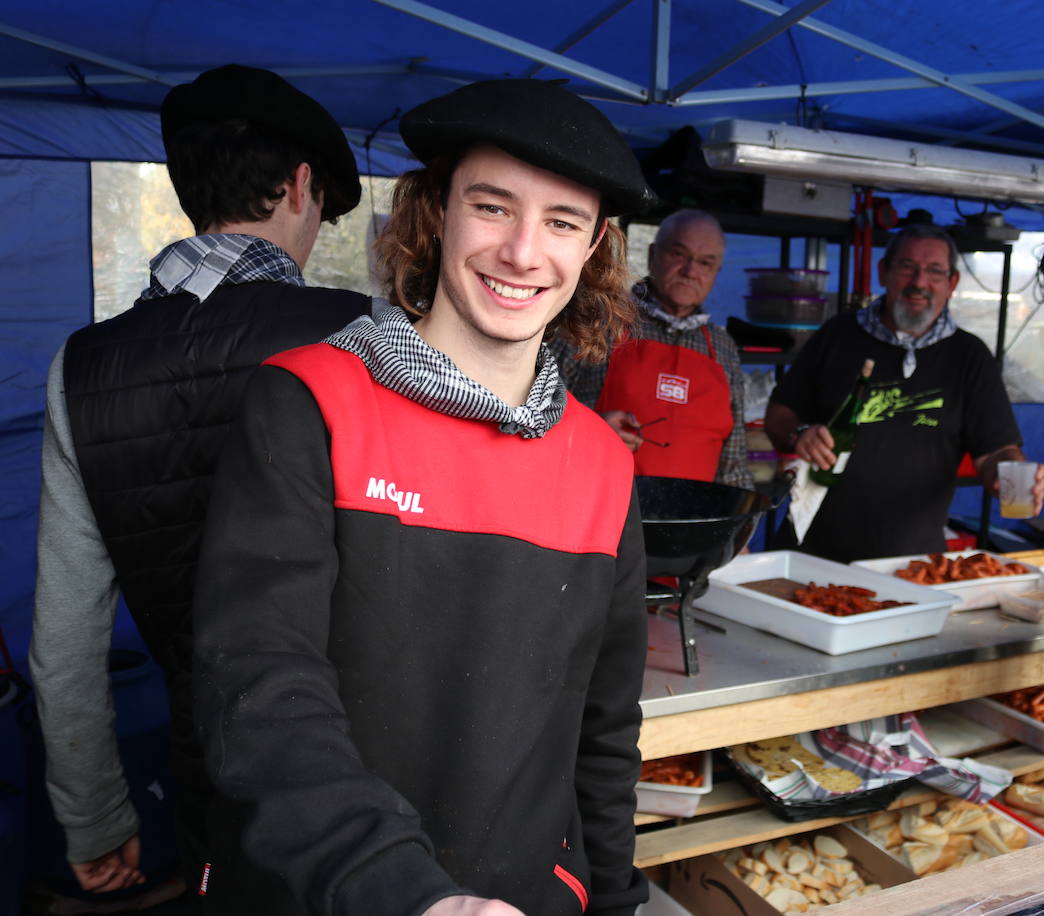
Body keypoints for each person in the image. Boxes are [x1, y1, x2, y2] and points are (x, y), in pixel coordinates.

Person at [192, 78, 655, 916]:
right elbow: (260, 687)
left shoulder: (601, 463)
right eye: (492, 207)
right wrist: (408, 895)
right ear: (437, 213)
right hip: (332, 893)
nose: (522, 252)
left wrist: (613, 900)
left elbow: (605, 729)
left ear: (592, 250)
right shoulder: (310, 401)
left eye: (561, 222)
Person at [28, 64, 367, 898]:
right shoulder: (359, 334)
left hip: (207, 769)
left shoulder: (81, 366)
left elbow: (65, 646)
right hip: (360, 767)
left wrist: (97, 817)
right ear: (300, 186)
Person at [763, 224, 1044, 563]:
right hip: (810, 552)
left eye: (934, 271)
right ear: (884, 272)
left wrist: (1011, 473)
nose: (919, 282)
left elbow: (996, 450)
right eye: (907, 266)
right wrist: (798, 435)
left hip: (911, 564)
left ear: (952, 283)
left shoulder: (969, 356)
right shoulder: (837, 335)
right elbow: (778, 416)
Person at [553, 209, 752, 488]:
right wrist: (591, 430)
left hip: (690, 522)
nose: (690, 271)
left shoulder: (722, 348)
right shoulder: (602, 319)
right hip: (598, 511)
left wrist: (739, 519)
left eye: (705, 263)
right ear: (651, 255)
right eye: (678, 255)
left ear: (716, 272)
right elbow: (533, 410)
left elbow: (733, 459)